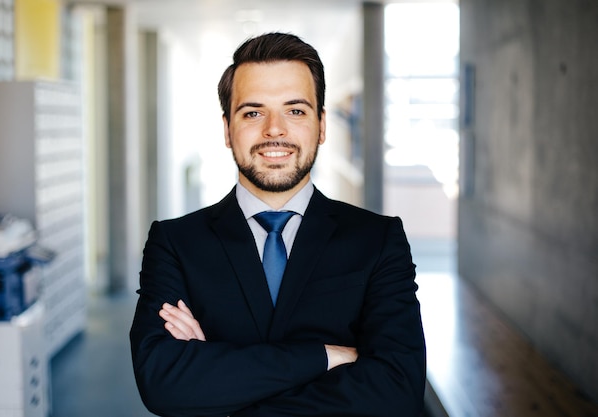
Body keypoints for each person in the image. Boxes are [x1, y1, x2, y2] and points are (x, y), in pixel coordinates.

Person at [130, 32, 426, 417]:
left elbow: (397, 390)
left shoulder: (377, 239)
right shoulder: (175, 242)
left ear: (321, 125)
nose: (274, 129)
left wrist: (219, 383)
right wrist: (325, 356)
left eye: (295, 111)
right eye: (253, 112)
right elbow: (164, 383)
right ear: (227, 129)